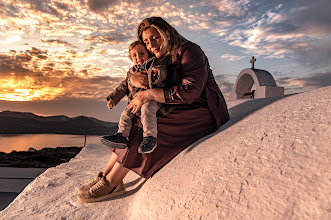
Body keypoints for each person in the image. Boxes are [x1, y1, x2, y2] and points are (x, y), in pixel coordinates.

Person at [77, 17, 229, 203]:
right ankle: (106, 173)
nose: (151, 45)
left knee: (145, 127)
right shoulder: (159, 58)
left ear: (166, 32)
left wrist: (148, 94)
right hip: (179, 103)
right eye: (146, 42)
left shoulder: (190, 50)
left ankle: (113, 182)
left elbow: (191, 92)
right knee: (134, 119)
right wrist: (133, 80)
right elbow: (145, 82)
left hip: (204, 109)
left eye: (155, 38)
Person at [101, 40, 171, 154]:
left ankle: (150, 138)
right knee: (125, 114)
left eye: (142, 53)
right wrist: (113, 98)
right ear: (131, 58)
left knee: (147, 110)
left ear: (148, 53)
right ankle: (122, 136)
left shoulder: (154, 64)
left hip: (151, 99)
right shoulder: (131, 72)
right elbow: (123, 86)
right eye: (134, 55)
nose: (138, 57)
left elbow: (163, 73)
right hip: (135, 101)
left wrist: (157, 72)